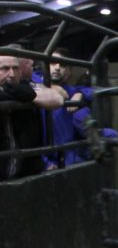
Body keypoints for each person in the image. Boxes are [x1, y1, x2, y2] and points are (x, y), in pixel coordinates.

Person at [0, 46, 65, 180]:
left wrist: (32, 96)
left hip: (26, 174)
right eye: (5, 69)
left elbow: (57, 99)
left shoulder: (27, 86)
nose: (11, 74)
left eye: (15, 68)